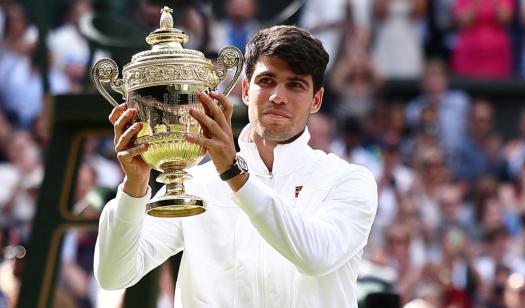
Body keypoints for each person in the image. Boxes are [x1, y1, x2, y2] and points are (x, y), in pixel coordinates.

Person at [94, 25, 378, 307]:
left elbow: (316, 257)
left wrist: (233, 173)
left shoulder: (349, 180)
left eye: (295, 85)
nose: (278, 96)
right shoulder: (197, 183)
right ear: (245, 89)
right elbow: (114, 275)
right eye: (266, 81)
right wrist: (133, 186)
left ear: (316, 100)